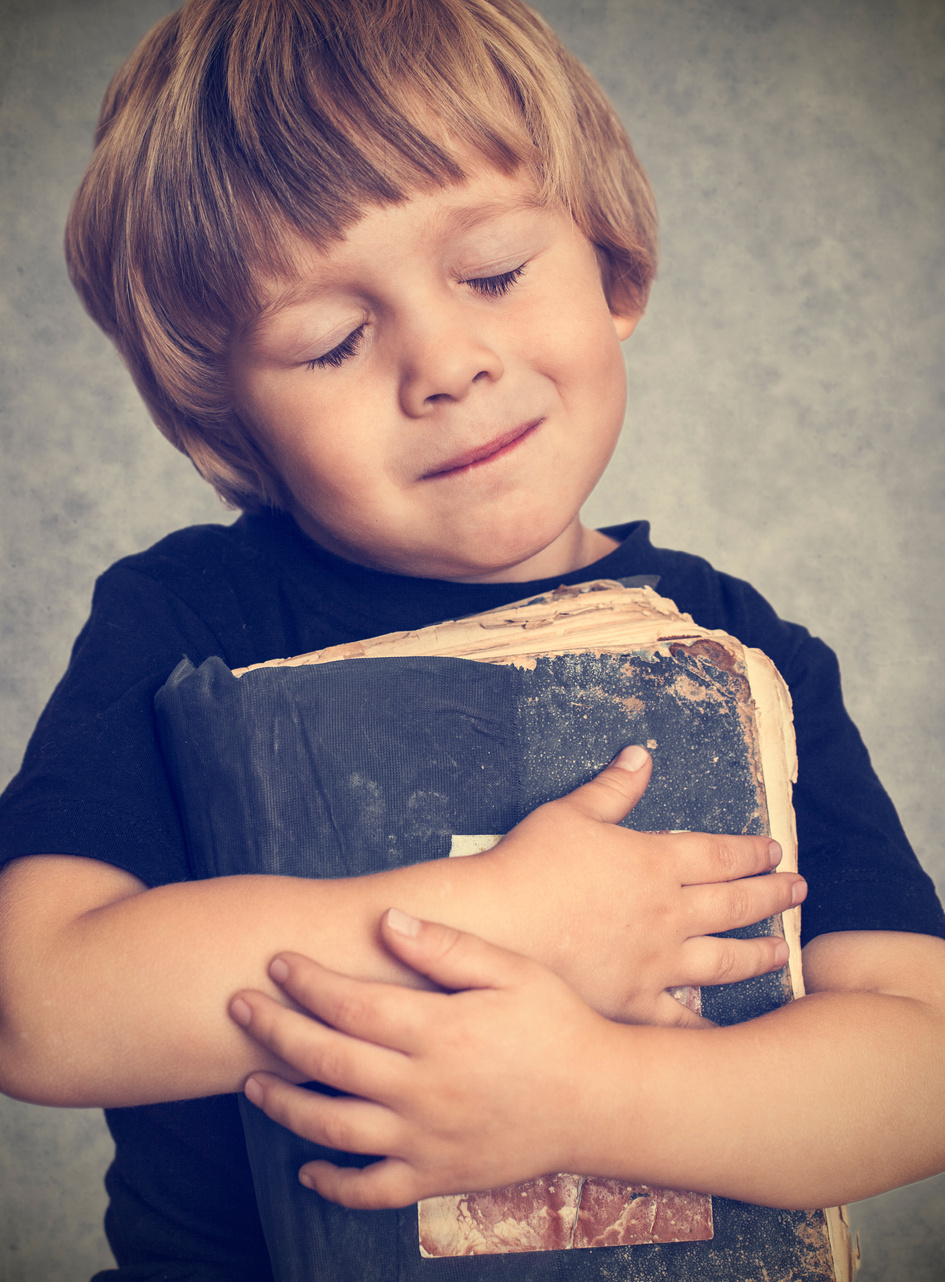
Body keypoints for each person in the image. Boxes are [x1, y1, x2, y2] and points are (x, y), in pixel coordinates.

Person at [0, 0, 943, 1278]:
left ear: (613, 268)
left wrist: (592, 1092)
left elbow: (920, 1059)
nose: (446, 363)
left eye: (492, 271)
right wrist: (503, 915)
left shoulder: (736, 648)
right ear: (234, 429)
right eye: (332, 341)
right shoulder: (191, 621)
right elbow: (40, 1008)